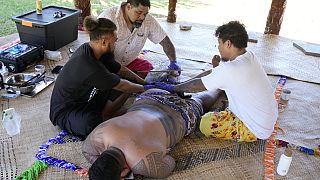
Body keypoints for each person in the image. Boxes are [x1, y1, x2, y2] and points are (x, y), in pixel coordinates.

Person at [154, 21, 278, 142]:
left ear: (228, 43)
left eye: (219, 43)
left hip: (256, 129)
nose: (218, 47)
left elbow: (198, 86)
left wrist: (173, 88)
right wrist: (181, 84)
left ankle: (238, 123)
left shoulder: (231, 69)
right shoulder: (249, 56)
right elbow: (209, 75)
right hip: (267, 118)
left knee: (205, 123)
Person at [82, 89, 221, 179]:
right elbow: (89, 153)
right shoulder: (96, 137)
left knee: (200, 102)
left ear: (122, 173)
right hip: (152, 95)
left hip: (180, 113)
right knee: (178, 92)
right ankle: (179, 90)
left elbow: (170, 162)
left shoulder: (143, 165)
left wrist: (131, 168)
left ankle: (219, 87)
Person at [50, 17, 151, 140]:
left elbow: (121, 70)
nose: (115, 43)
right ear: (104, 42)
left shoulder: (96, 50)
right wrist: (145, 88)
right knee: (92, 125)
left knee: (124, 81)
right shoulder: (87, 64)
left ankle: (104, 115)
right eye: (114, 41)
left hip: (87, 98)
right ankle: (103, 119)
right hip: (66, 111)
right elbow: (122, 85)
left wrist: (143, 82)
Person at [98, 0, 180, 78]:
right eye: (139, 13)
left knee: (149, 70)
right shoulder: (108, 17)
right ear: (129, 7)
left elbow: (165, 41)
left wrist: (173, 62)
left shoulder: (148, 20)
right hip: (107, 63)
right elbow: (99, 52)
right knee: (114, 84)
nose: (142, 17)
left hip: (129, 62)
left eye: (145, 14)